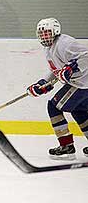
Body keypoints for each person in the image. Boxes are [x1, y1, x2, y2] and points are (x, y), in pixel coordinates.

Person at [27, 17, 88, 160]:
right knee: (78, 111)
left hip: (82, 83)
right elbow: (56, 71)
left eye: (47, 33)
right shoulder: (49, 49)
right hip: (80, 84)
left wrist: (71, 68)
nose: (44, 36)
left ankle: (66, 146)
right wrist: (42, 84)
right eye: (41, 34)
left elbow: (86, 55)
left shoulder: (64, 43)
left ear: (56, 31)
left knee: (53, 106)